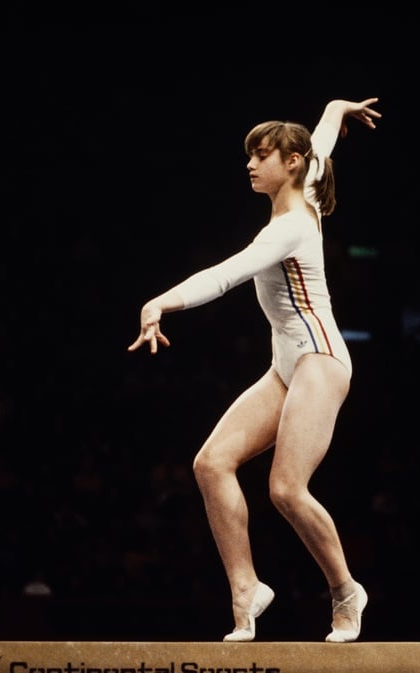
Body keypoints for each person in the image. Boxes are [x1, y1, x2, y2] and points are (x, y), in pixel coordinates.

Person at [127, 97, 381, 643]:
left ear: (290, 161)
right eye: (250, 155)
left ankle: (345, 591)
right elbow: (324, 139)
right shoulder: (308, 180)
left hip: (321, 361)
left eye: (262, 154)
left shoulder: (287, 228)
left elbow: (224, 275)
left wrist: (161, 302)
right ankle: (247, 589)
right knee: (211, 463)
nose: (250, 164)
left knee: (286, 489)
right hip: (286, 364)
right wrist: (337, 107)